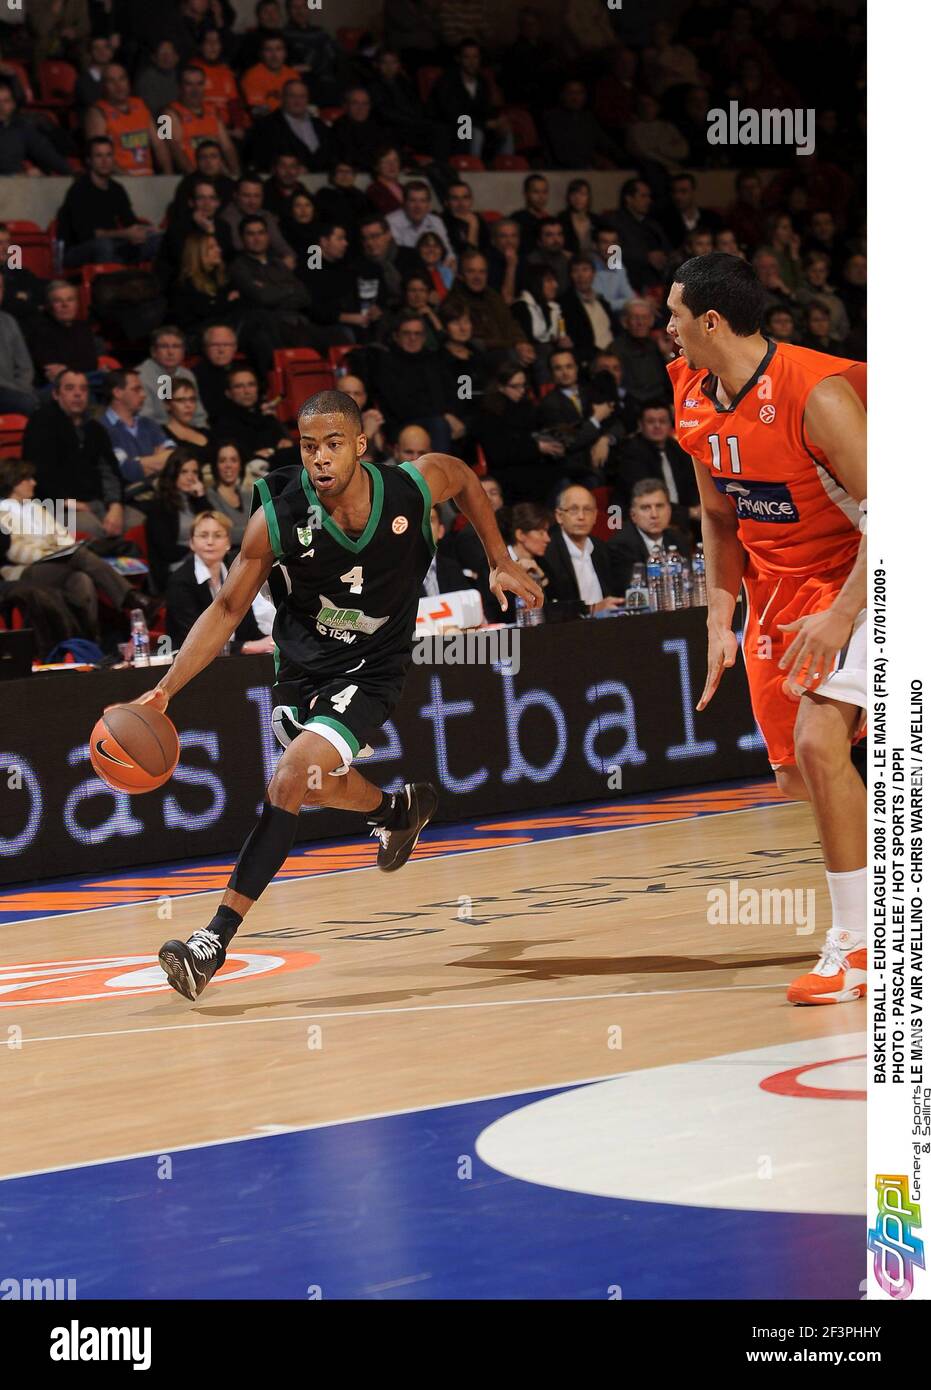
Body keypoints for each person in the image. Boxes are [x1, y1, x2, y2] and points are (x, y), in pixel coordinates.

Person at [125, 388, 541, 998]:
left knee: (291, 777)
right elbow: (227, 606)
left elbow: (466, 480)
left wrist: (499, 556)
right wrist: (164, 691)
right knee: (314, 786)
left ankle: (210, 941)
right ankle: (396, 812)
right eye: (309, 446)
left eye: (334, 444)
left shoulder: (410, 486)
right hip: (301, 668)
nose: (320, 458)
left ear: (360, 446)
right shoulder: (279, 517)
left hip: (373, 665)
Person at [666, 251, 867, 1005]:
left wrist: (842, 614)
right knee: (796, 774)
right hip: (773, 587)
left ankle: (855, 948)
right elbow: (718, 513)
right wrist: (720, 619)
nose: (667, 328)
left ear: (710, 321)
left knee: (820, 743)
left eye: (675, 315)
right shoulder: (688, 386)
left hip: (858, 571)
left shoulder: (813, 395)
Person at [0, 458, 156, 644]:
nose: (34, 483)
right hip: (22, 571)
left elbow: (64, 536)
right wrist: (51, 553)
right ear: (14, 481)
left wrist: (57, 551)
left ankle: (88, 641)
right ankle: (132, 598)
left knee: (82, 578)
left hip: (58, 565)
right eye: (28, 479)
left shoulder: (37, 508)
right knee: (79, 556)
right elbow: (15, 552)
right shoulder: (2, 511)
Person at [22, 369, 144, 539]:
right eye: (70, 388)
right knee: (91, 528)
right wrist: (71, 504)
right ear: (56, 394)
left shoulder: (96, 429)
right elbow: (36, 474)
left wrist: (115, 505)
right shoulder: (41, 422)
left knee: (139, 523)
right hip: (53, 504)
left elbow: (110, 472)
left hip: (97, 503)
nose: (78, 394)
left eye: (83, 389)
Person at [166, 509, 274, 653]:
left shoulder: (236, 575)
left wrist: (273, 642)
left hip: (233, 659)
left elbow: (249, 630)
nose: (210, 542)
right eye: (203, 536)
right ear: (192, 542)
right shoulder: (180, 581)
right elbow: (191, 640)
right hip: (190, 660)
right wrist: (245, 647)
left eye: (217, 536)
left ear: (228, 543)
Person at [56, 137, 161, 269]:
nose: (105, 161)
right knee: (104, 246)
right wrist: (124, 234)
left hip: (112, 243)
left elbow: (130, 222)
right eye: (99, 156)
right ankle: (111, 286)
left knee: (158, 240)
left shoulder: (116, 189)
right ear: (89, 161)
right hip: (77, 250)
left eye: (108, 155)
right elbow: (86, 234)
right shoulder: (79, 190)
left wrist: (147, 230)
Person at [472, 363, 564, 503]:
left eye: (524, 385)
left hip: (532, 464)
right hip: (508, 472)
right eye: (515, 386)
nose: (521, 390)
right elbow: (498, 453)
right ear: (500, 387)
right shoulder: (488, 414)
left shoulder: (525, 406)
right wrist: (536, 448)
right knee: (557, 483)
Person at [613, 400, 700, 528]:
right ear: (640, 424)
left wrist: (699, 509)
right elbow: (647, 495)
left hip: (682, 517)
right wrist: (690, 512)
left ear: (671, 425)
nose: (657, 426)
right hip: (642, 520)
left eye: (663, 421)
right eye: (651, 421)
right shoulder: (631, 452)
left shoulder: (678, 448)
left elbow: (692, 485)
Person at [539, 484, 622, 612]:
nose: (581, 517)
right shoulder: (547, 553)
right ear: (559, 516)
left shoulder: (602, 549)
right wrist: (592, 609)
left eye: (587, 510)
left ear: (595, 516)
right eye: (573, 510)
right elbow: (551, 607)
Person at [443, 251, 533, 367]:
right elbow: (472, 340)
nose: (477, 277)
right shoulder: (454, 300)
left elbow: (510, 323)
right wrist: (512, 344)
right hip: (477, 355)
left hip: (505, 348)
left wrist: (521, 342)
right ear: (461, 275)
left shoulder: (493, 296)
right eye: (471, 271)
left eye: (482, 272)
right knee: (511, 356)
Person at [145, 446, 213, 590]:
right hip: (175, 569)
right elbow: (167, 550)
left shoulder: (196, 501)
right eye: (184, 472)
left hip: (203, 561)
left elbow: (215, 526)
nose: (190, 477)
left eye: (194, 472)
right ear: (173, 474)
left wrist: (201, 497)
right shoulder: (160, 506)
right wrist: (198, 549)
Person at [607, 476, 693, 590]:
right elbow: (632, 589)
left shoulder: (679, 539)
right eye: (646, 508)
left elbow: (690, 581)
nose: (654, 515)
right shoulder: (620, 546)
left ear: (669, 510)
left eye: (659, 506)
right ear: (633, 515)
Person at [85, 63, 172, 175]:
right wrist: (128, 180)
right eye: (111, 81)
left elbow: (159, 144)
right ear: (103, 86)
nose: (119, 86)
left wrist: (168, 175)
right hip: (118, 178)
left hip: (148, 177)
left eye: (122, 79)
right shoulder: (97, 112)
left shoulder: (140, 105)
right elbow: (98, 155)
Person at [101, 367, 174, 498]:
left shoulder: (149, 424)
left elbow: (174, 458)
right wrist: (158, 460)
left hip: (159, 494)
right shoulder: (102, 428)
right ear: (117, 392)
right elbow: (123, 471)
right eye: (136, 389)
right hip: (127, 498)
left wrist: (137, 461)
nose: (143, 394)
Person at [161, 64, 240, 177]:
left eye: (199, 84)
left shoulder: (213, 110)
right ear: (179, 86)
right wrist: (194, 178)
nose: (195, 90)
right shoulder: (165, 115)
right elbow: (174, 149)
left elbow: (227, 147)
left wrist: (235, 174)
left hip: (217, 176)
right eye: (189, 84)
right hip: (188, 177)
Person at [245, 78, 333, 172]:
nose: (298, 101)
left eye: (302, 96)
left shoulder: (320, 125)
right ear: (282, 98)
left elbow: (329, 154)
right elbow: (262, 158)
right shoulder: (266, 125)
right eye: (292, 96)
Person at [213, 364, 290, 465]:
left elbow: (283, 442)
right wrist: (252, 456)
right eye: (239, 386)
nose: (247, 391)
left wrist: (286, 443)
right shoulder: (222, 423)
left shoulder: (267, 416)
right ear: (228, 393)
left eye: (251, 385)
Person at [26, 281, 100, 385]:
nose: (65, 305)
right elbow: (53, 372)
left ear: (77, 304)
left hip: (86, 380)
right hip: (56, 387)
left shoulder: (83, 328)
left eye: (70, 300)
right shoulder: (39, 332)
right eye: (58, 301)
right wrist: (78, 367)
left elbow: (92, 364)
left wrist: (68, 368)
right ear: (49, 306)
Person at [541, 78, 624, 169]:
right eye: (570, 93)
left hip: (588, 168)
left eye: (580, 93)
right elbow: (561, 152)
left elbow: (605, 142)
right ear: (562, 95)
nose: (575, 97)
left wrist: (622, 159)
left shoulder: (588, 118)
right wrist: (592, 161)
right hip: (563, 170)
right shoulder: (552, 118)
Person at [170, 231, 240, 337]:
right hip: (200, 333)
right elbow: (202, 314)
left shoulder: (222, 277)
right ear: (197, 253)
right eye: (211, 247)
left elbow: (237, 302)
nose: (219, 250)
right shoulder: (185, 283)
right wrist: (226, 301)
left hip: (224, 329)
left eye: (217, 246)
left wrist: (219, 304)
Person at [138, 325, 208, 427]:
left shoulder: (187, 375)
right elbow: (145, 420)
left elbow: (198, 417)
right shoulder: (140, 376)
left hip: (187, 434)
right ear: (153, 351)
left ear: (183, 351)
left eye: (176, 346)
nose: (170, 352)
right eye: (164, 346)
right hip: (156, 436)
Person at [0, 79, 72, 176]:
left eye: (6, 101)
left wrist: (71, 173)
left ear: (13, 105)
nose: (1, 106)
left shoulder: (22, 128)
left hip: (14, 185)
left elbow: (47, 154)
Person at [559, 256, 615, 367]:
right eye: (576, 271)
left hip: (613, 356)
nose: (581, 276)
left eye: (585, 270)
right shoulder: (564, 304)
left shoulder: (603, 302)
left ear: (593, 274)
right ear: (570, 275)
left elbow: (616, 331)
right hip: (589, 361)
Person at [386, 181, 454, 260]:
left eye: (423, 201)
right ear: (404, 203)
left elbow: (448, 253)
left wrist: (450, 261)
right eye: (413, 200)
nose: (418, 206)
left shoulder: (436, 221)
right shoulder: (391, 222)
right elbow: (399, 257)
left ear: (428, 204)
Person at [0, 275, 39, 414]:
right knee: (28, 403)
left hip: (13, 391)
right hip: (8, 394)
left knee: (61, 401)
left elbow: (25, 367)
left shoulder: (9, 321)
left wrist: (21, 389)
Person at [242, 32, 300, 118]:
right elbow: (256, 111)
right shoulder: (252, 76)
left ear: (285, 53)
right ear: (261, 54)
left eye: (278, 49)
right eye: (268, 50)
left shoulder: (293, 74)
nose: (274, 55)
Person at [206, 441, 252, 546]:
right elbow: (225, 533)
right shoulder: (210, 497)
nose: (228, 465)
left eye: (234, 460)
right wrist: (255, 532)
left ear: (240, 465)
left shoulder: (248, 495)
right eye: (222, 461)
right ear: (216, 466)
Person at [162, 375, 214, 460]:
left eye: (192, 400)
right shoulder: (161, 435)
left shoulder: (207, 433)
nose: (188, 405)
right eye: (181, 400)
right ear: (167, 404)